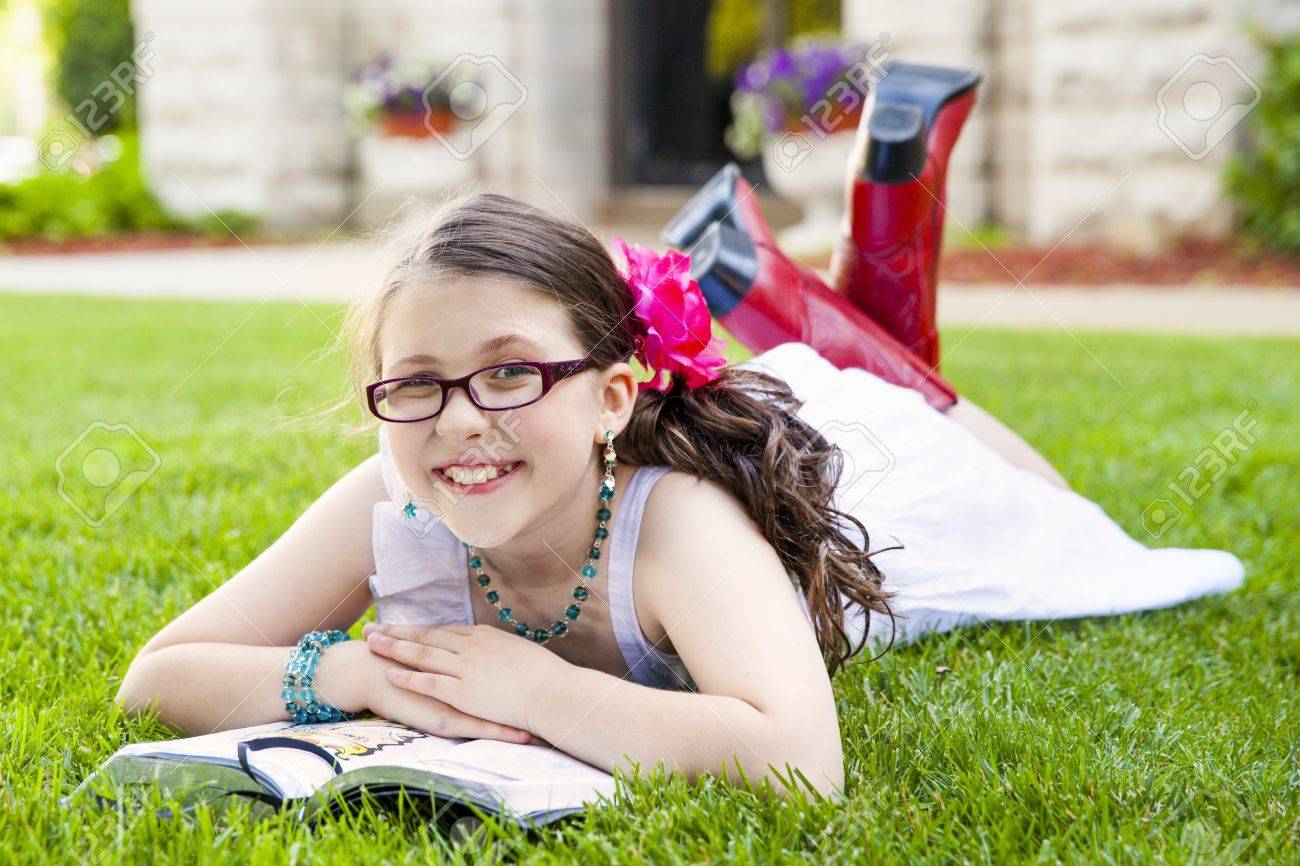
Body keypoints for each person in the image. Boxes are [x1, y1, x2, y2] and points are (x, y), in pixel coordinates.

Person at [116, 191, 1243, 803]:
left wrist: (536, 687)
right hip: (738, 424)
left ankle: (844, 329)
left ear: (610, 396)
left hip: (875, 480)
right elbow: (157, 677)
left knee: (1037, 503)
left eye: (510, 373)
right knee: (823, 385)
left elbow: (798, 762)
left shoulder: (678, 527)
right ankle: (804, 313)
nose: (458, 420)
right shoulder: (398, 488)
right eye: (416, 383)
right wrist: (357, 675)